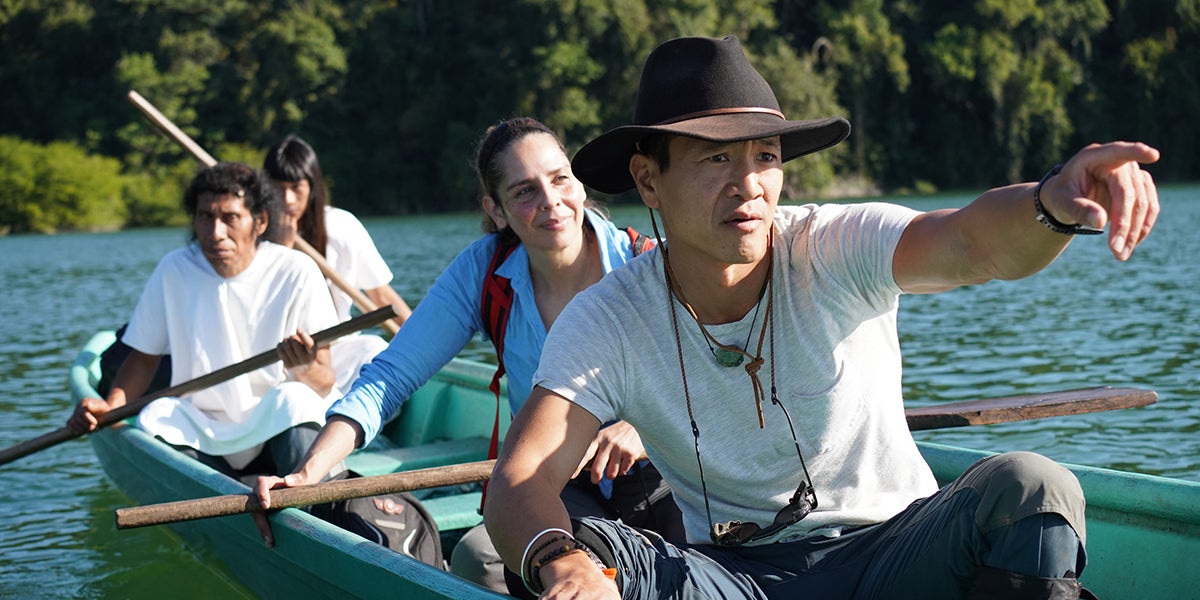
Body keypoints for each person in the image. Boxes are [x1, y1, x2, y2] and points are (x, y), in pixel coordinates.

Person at [483, 35, 1160, 600]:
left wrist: (1053, 202)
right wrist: (559, 560)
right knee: (583, 556)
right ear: (649, 180)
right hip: (733, 577)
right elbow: (520, 480)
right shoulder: (609, 318)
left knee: (1035, 487)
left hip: (895, 554)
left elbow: (972, 241)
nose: (748, 183)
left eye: (766, 157)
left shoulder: (835, 246)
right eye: (716, 157)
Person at [254, 117, 685, 590]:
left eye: (560, 179)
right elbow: (390, 377)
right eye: (524, 192)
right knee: (482, 559)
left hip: (668, 471)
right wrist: (308, 471)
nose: (550, 202)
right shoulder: (484, 273)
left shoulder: (649, 260)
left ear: (579, 184)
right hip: (559, 483)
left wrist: (640, 428)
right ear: (496, 210)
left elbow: (721, 376)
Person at [67, 162, 341, 480]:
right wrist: (111, 406)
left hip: (274, 422)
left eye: (230, 218)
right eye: (205, 217)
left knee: (295, 399)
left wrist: (304, 366)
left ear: (261, 221)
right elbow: (143, 359)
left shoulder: (296, 271)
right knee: (158, 415)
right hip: (202, 423)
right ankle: (224, 501)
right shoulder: (175, 270)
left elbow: (324, 380)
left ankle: (303, 504)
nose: (215, 233)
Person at [263, 135, 413, 392]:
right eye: (278, 188)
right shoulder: (249, 233)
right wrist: (280, 246)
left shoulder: (341, 226)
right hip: (271, 355)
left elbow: (380, 295)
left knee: (374, 349)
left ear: (312, 188)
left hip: (334, 353)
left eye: (296, 188)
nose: (287, 199)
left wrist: (422, 343)